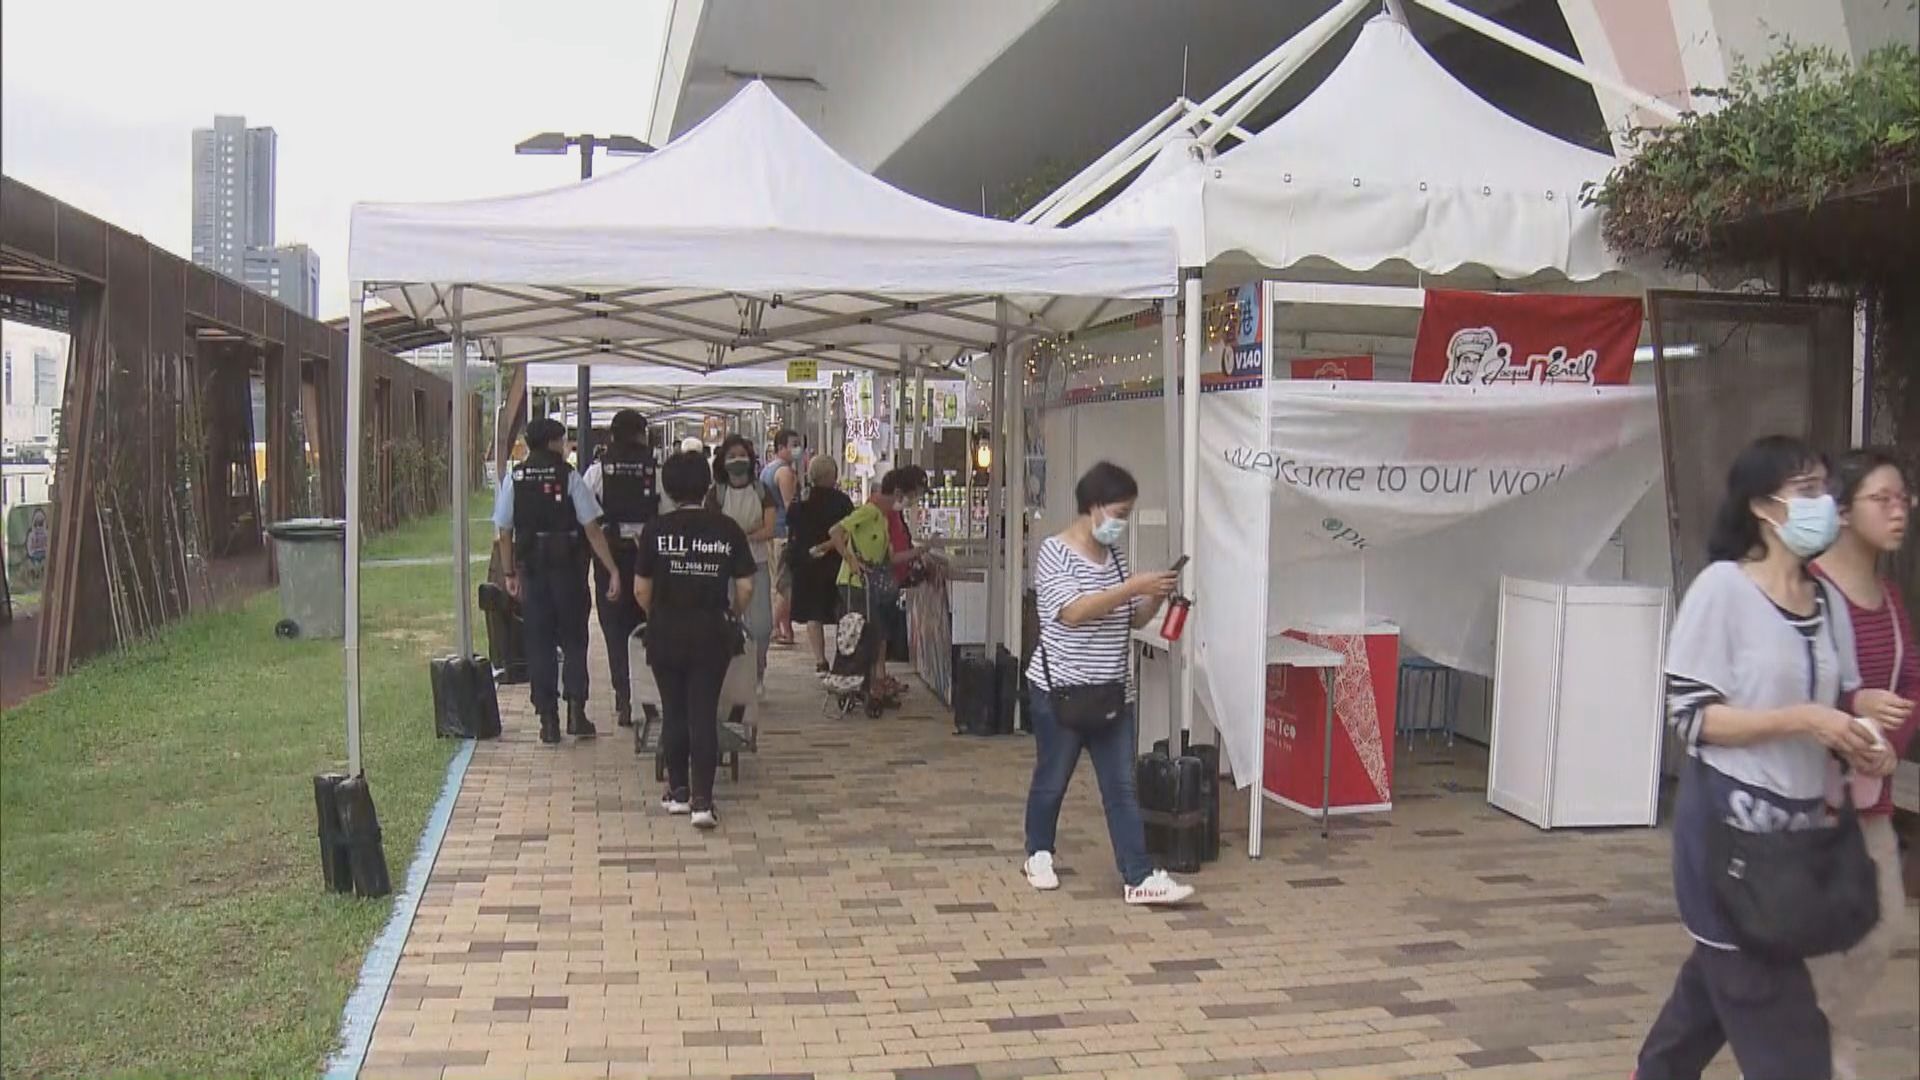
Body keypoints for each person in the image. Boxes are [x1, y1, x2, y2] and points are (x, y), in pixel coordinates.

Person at [1636, 436, 1896, 1080]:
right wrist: (1805, 720)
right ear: (1763, 506)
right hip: (1729, 849)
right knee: (1789, 1042)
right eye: (1807, 492)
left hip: (1796, 851)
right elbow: (1692, 717)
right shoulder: (1722, 590)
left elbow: (1836, 700)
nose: (1825, 507)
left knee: (1709, 996)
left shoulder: (1825, 600)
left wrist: (1862, 741)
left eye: (1827, 492)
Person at [1021, 462, 1192, 907]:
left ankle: (1138, 874)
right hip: (1060, 693)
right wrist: (1133, 584)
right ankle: (1038, 852)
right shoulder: (1053, 552)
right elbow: (1073, 612)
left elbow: (1131, 618)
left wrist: (1152, 594)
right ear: (1093, 507)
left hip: (1113, 691)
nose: (1121, 523)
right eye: (1118, 513)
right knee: (1051, 779)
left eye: (1127, 515)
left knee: (1121, 787)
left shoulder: (1114, 558)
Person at [1808, 448, 1917, 1080]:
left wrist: (1889, 743)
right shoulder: (1810, 592)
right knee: (1811, 951)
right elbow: (1787, 687)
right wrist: (1851, 709)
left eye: (1904, 499)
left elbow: (1912, 684)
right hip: (1809, 807)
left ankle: (1819, 1051)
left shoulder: (1891, 596)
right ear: (1843, 512)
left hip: (1869, 803)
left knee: (1880, 931)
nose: (1899, 511)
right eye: (1884, 499)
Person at [635, 452, 756, 829]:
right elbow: (746, 585)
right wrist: (733, 613)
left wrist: (655, 613)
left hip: (667, 630)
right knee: (703, 711)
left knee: (673, 711)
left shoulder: (655, 530)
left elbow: (641, 589)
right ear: (707, 485)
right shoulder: (727, 529)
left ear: (668, 489)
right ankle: (704, 801)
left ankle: (678, 792)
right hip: (711, 631)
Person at [492, 417, 625, 745]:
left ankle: (547, 719)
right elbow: (591, 527)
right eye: (562, 440)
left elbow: (504, 531)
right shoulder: (569, 477)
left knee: (538, 641)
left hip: (532, 569)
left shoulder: (516, 477)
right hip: (567, 568)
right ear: (552, 442)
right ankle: (576, 712)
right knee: (574, 638)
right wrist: (612, 568)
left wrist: (509, 573)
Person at [826, 466, 932, 708]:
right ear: (897, 492)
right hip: (853, 584)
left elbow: (890, 558)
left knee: (873, 635)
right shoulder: (869, 512)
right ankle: (851, 685)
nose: (911, 501)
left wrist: (920, 551)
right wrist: (851, 560)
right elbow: (836, 531)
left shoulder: (884, 518)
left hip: (869, 585)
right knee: (860, 635)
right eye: (911, 495)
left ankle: (863, 686)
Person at [582, 410, 659, 728]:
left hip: (610, 558)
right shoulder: (657, 469)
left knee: (615, 631)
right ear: (643, 435)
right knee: (650, 627)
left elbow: (586, 517)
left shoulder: (597, 471)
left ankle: (623, 696)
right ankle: (648, 696)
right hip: (650, 557)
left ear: (612, 436)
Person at [706, 435, 777, 696]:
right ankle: (730, 672)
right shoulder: (716, 493)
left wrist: (738, 536)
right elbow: (712, 528)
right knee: (725, 620)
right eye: (731, 456)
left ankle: (758, 670)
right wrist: (745, 533)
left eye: (742, 455)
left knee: (761, 625)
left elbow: (769, 527)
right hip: (722, 567)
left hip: (755, 563)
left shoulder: (761, 490)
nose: (738, 461)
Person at [786, 455, 855, 673]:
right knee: (839, 611)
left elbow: (793, 534)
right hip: (835, 563)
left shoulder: (800, 503)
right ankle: (841, 657)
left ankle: (820, 660)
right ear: (833, 476)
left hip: (807, 565)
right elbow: (847, 533)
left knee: (813, 614)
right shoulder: (842, 502)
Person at [760, 429, 803, 647]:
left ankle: (784, 629)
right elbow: (790, 506)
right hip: (784, 532)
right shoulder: (785, 472)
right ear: (781, 447)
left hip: (771, 531)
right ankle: (773, 626)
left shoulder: (767, 469)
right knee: (786, 585)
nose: (797, 449)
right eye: (793, 444)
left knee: (778, 584)